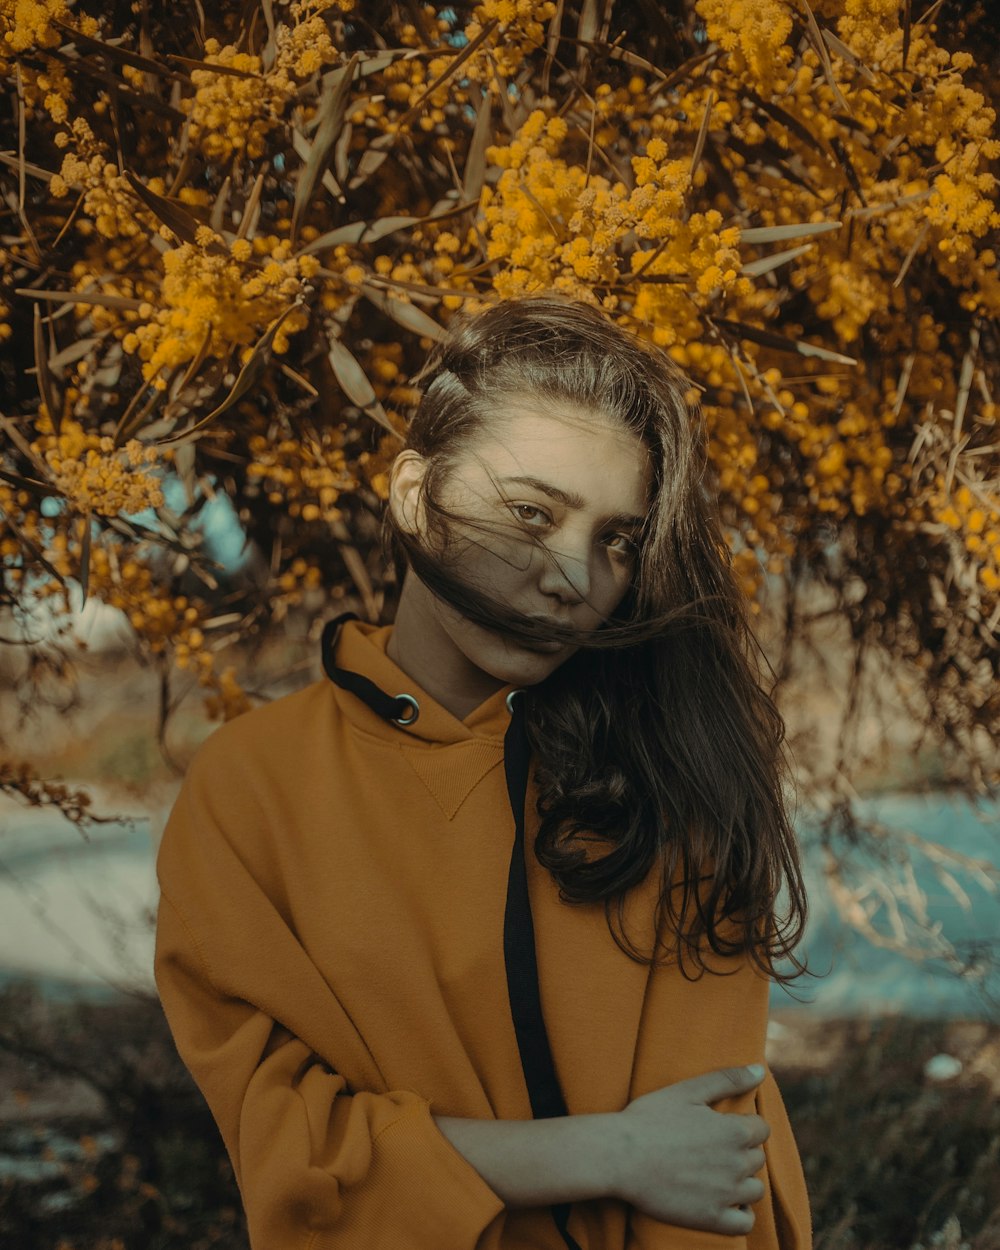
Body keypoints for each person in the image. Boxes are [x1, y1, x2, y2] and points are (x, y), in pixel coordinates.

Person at [154, 293, 814, 1250]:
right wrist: (607, 1153)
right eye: (530, 513)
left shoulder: (676, 769)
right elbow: (299, 1166)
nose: (573, 578)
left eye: (615, 540)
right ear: (417, 494)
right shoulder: (250, 794)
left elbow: (707, 1164)